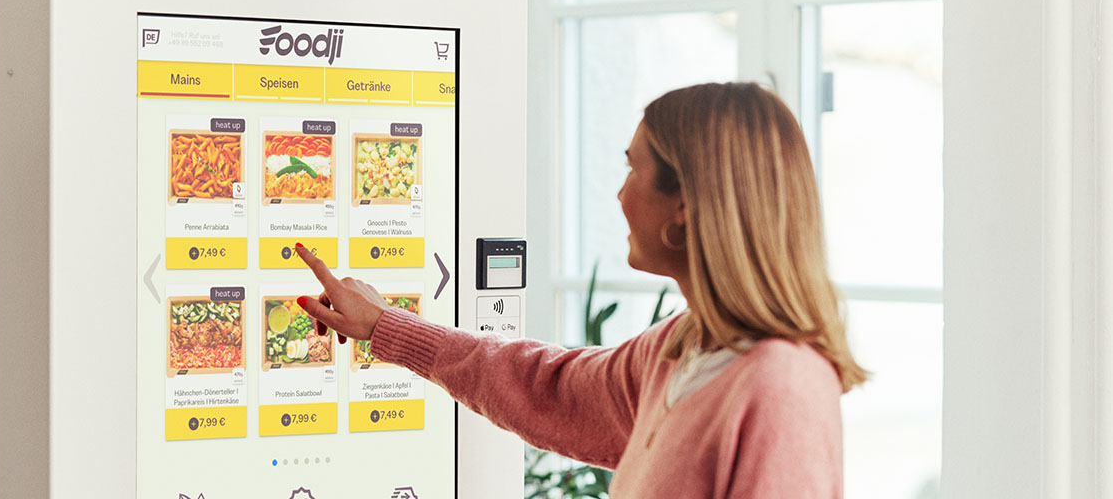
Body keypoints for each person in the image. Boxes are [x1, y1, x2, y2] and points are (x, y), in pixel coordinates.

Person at [294, 81, 866, 498]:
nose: (620, 195)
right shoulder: (680, 350)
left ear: (686, 204)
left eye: (633, 170)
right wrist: (383, 325)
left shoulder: (783, 385)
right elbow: (543, 387)